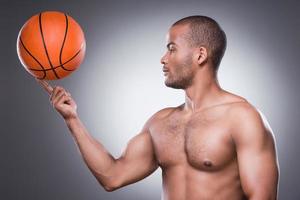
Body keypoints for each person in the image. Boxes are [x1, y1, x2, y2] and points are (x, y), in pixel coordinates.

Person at [36, 15, 279, 200]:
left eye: (171, 48)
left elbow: (262, 197)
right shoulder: (161, 123)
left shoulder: (243, 118)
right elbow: (113, 176)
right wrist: (72, 119)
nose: (163, 58)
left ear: (200, 55)